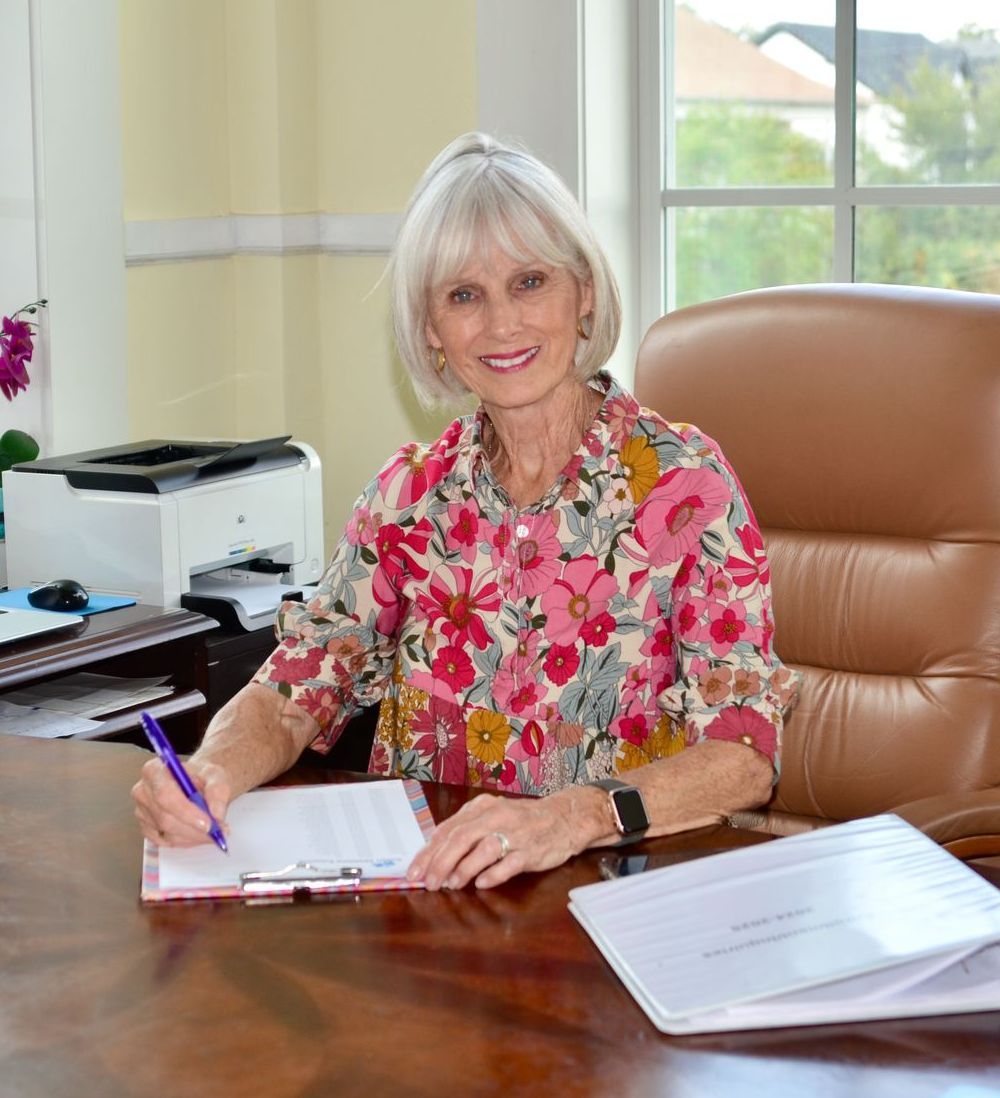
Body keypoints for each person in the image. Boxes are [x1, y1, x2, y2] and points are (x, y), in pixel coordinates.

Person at [132, 132, 797, 890]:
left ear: (583, 294)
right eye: (463, 296)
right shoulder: (408, 496)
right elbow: (292, 693)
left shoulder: (685, 486)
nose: (501, 325)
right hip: (437, 907)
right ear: (430, 331)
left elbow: (744, 757)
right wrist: (209, 773)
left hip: (618, 898)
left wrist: (574, 816)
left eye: (530, 282)